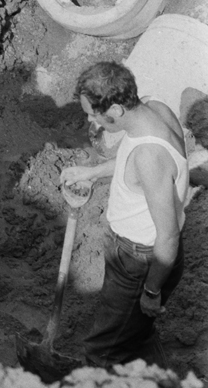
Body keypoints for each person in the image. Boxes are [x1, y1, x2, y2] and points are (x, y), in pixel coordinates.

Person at [60, 62, 189, 368]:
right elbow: (129, 161)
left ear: (115, 111)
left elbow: (168, 234)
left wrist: (151, 290)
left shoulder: (149, 157)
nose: (92, 121)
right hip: (138, 255)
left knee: (103, 350)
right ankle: (156, 375)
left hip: (141, 260)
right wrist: (93, 172)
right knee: (133, 331)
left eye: (94, 114)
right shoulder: (155, 109)